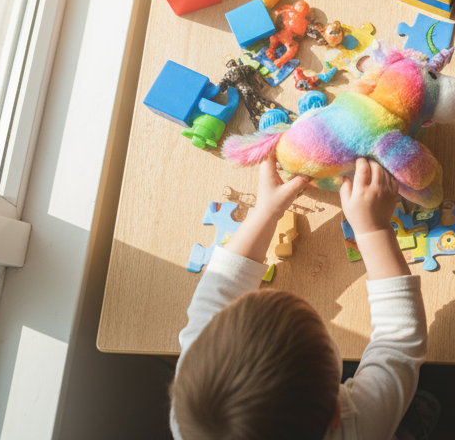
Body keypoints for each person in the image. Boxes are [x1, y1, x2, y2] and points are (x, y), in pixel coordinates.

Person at [168, 158, 438, 440]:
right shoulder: (358, 428)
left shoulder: (193, 413)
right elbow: (399, 343)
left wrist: (265, 212)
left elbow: (216, 292)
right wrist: (373, 230)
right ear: (336, 413)